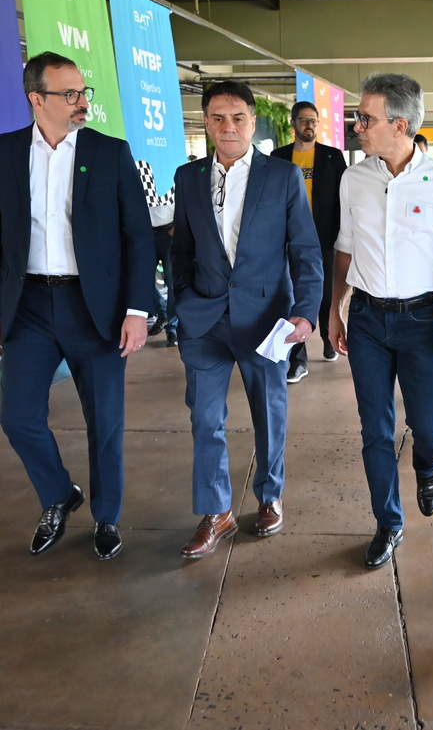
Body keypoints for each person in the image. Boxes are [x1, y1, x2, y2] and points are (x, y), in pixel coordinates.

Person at [0, 51, 153, 561]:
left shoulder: (110, 153)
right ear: (37, 99)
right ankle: (58, 494)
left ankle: (107, 516)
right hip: (27, 305)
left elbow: (138, 238)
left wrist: (138, 310)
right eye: (69, 94)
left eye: (83, 92)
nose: (81, 102)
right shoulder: (2, 152)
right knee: (17, 417)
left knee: (105, 423)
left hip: (95, 308)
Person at [328, 73, 433, 570]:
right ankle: (388, 523)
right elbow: (344, 248)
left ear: (399, 125)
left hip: (420, 321)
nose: (357, 126)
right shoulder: (354, 179)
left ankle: (427, 467)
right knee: (375, 429)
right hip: (367, 319)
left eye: (365, 119)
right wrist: (334, 309)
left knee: (428, 427)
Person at [172, 81, 323, 558]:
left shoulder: (282, 177)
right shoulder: (188, 177)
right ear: (206, 123)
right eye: (217, 118)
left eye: (238, 118)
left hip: (265, 320)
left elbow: (305, 250)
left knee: (268, 413)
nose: (228, 127)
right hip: (205, 320)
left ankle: (270, 495)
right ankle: (216, 512)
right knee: (205, 418)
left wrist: (305, 313)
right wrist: (182, 301)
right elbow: (180, 250)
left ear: (253, 122)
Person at [271, 100, 347, 381]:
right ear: (293, 123)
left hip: (324, 239)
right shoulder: (279, 157)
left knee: (326, 295)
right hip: (288, 241)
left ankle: (328, 338)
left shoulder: (332, 157)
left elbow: (343, 200)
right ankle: (297, 359)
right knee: (293, 297)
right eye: (303, 120)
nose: (309, 125)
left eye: (313, 120)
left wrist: (342, 236)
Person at [147, 189, 178, 347]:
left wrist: (176, 227)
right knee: (142, 280)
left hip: (169, 231)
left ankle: (172, 328)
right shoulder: (140, 175)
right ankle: (162, 311)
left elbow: (187, 200)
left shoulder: (172, 176)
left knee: (171, 282)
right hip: (146, 232)